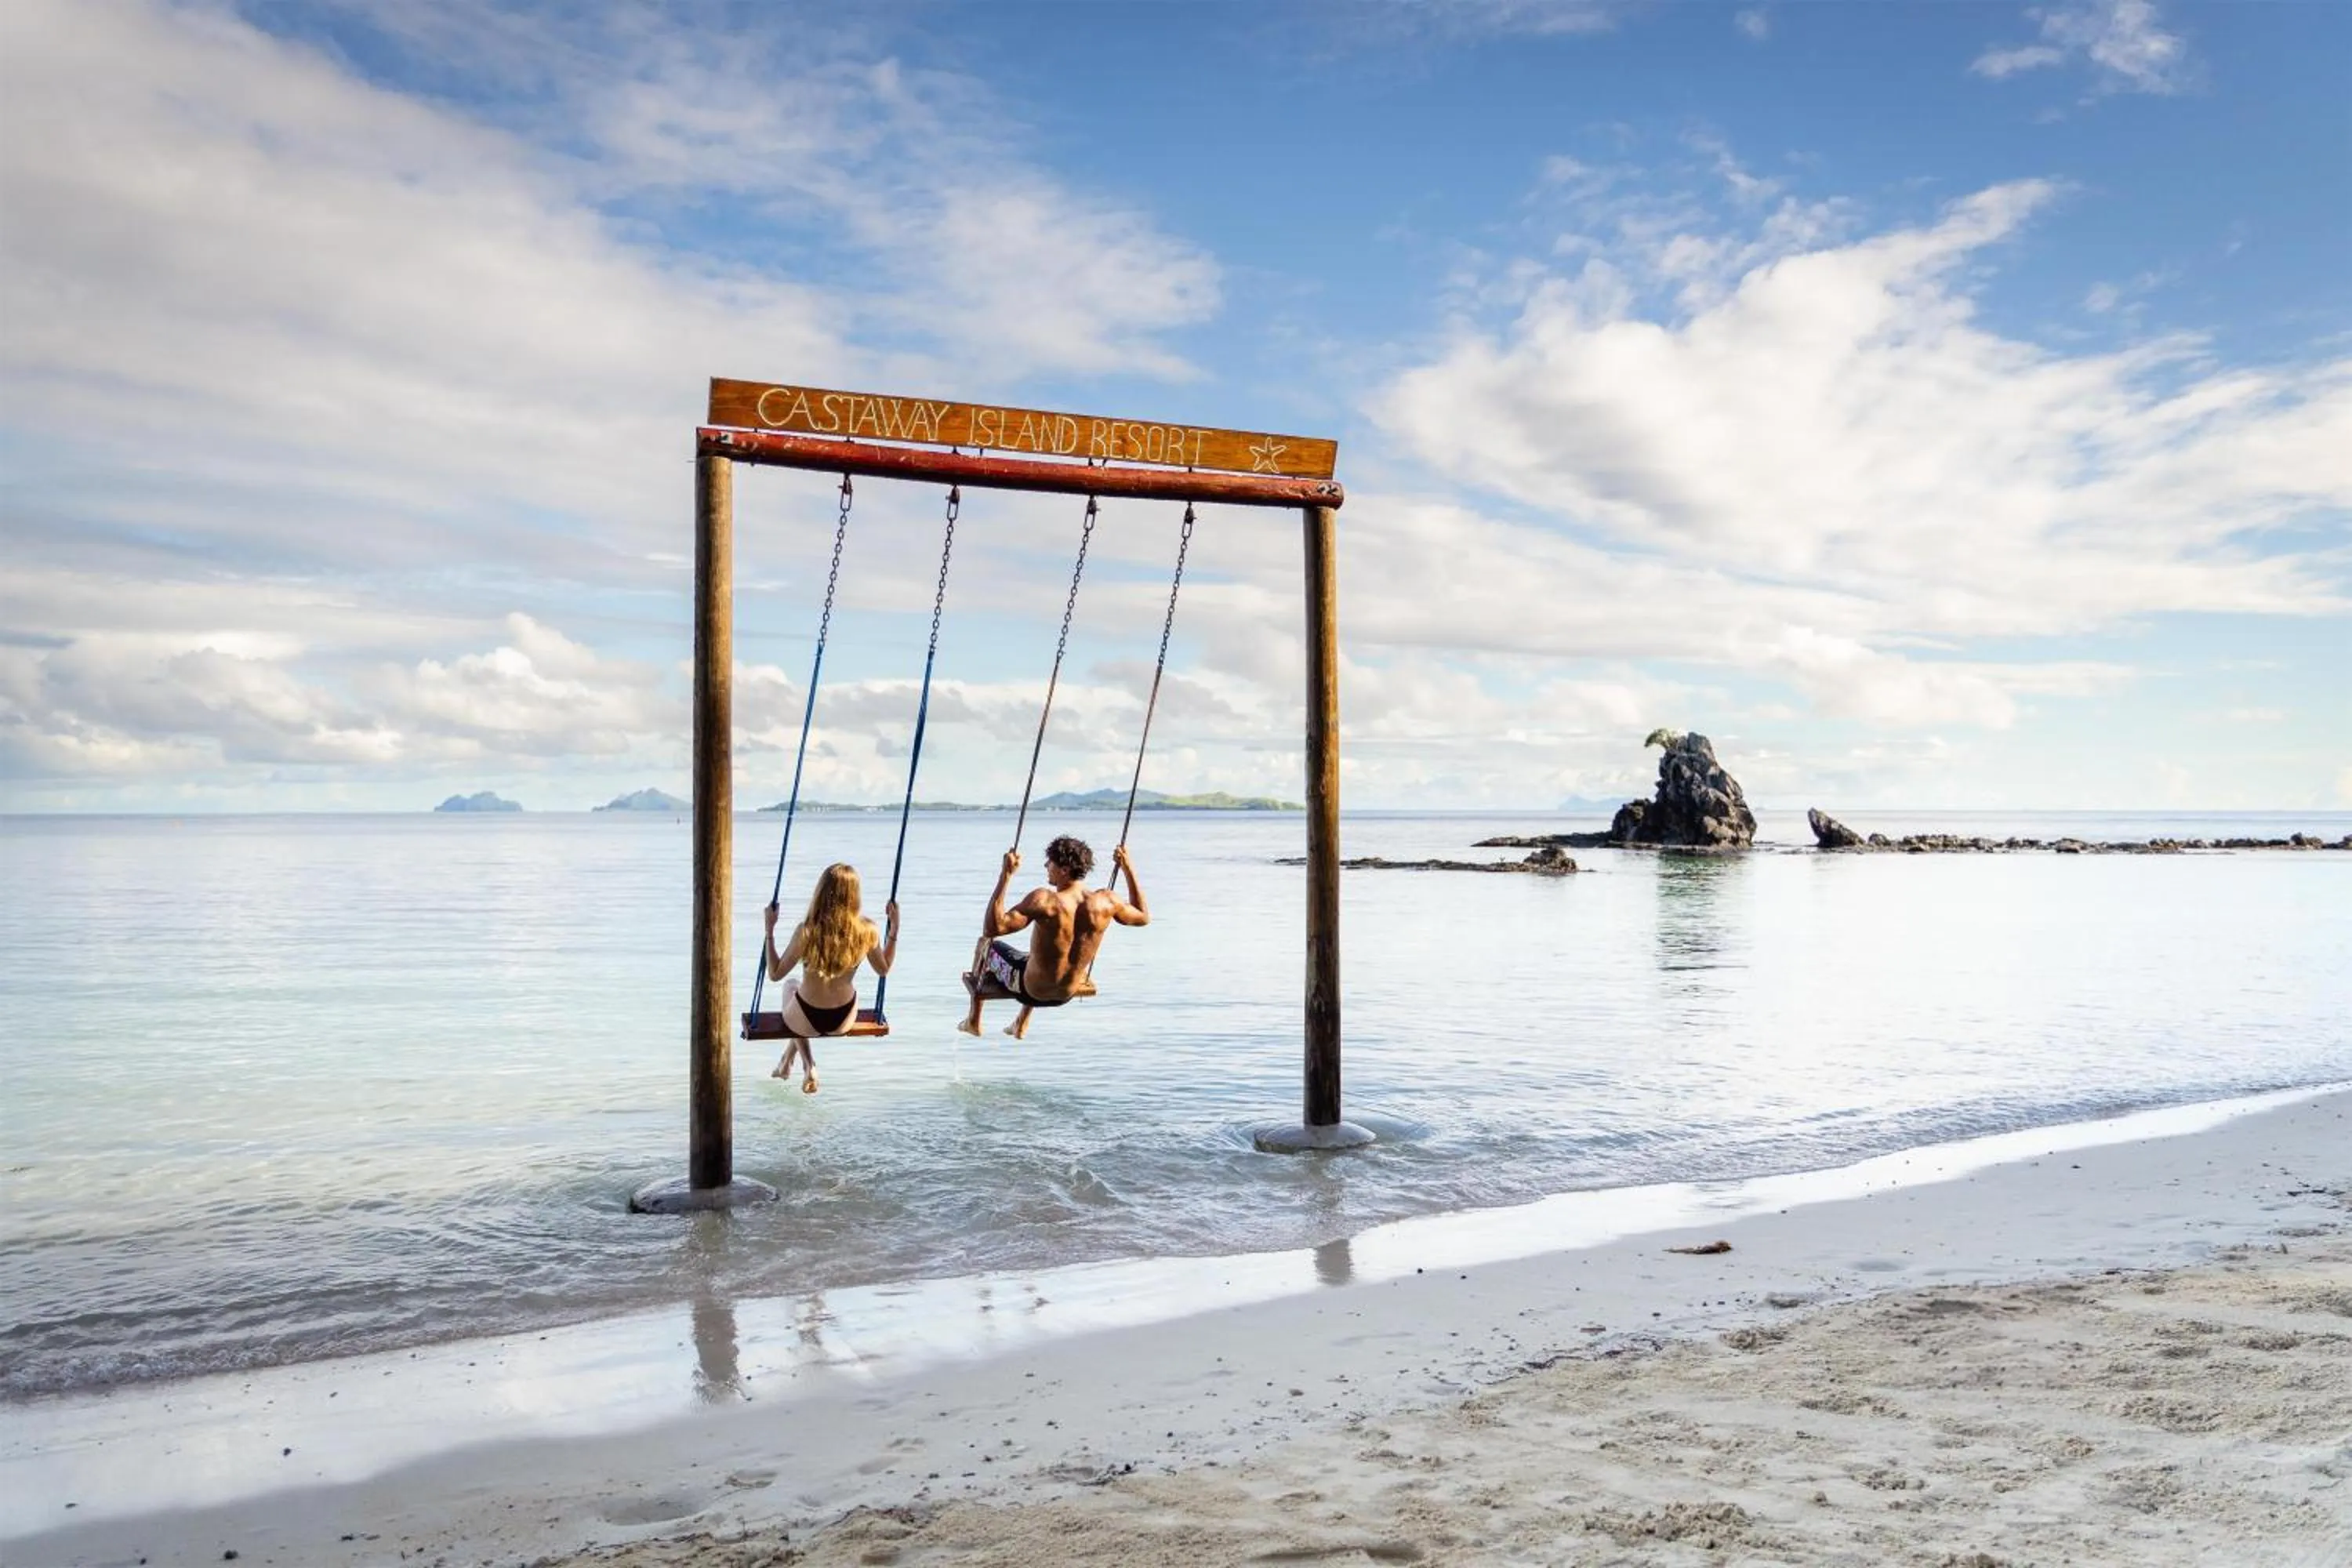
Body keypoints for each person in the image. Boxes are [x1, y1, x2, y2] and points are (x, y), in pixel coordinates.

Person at [960, 835, 1148, 1040]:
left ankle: (974, 1020)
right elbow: (1142, 916)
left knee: (985, 944)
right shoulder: (1106, 902)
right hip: (1066, 994)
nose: (1046, 865)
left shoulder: (1045, 901)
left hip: (1030, 990)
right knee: (1039, 956)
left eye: (1050, 863)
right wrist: (1128, 867)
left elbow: (993, 928)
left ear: (1064, 870)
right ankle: (1021, 1023)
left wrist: (1006, 875)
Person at [762, 862, 897, 1094]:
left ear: (821, 892)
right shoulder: (867, 930)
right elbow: (883, 970)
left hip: (805, 1017)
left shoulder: (807, 931)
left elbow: (774, 973)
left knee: (790, 985)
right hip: (843, 1020)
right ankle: (787, 1062)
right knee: (807, 995)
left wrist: (769, 931)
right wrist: (894, 930)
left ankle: (807, 1064)